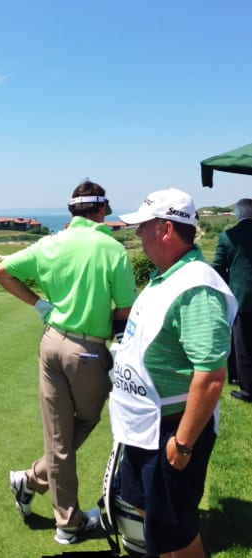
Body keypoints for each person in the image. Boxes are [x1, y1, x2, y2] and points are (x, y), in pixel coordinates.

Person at [0, 180, 137, 545]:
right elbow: (125, 308)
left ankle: (39, 488)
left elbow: (1, 272)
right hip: (87, 350)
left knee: (58, 436)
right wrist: (115, 340)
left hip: (51, 342)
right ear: (101, 210)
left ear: (73, 210)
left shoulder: (50, 243)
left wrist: (40, 304)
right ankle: (62, 515)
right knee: (84, 420)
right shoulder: (111, 248)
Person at [111, 189, 236, 558]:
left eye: (144, 226)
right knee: (153, 520)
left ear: (166, 229)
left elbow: (211, 376)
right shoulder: (167, 277)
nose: (138, 234)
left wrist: (182, 444)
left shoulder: (197, 288)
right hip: (145, 426)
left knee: (176, 534)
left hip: (173, 429)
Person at [211, 198, 252, 401]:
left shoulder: (228, 237)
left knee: (243, 343)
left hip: (241, 296)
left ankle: (247, 388)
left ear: (238, 214)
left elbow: (218, 268)